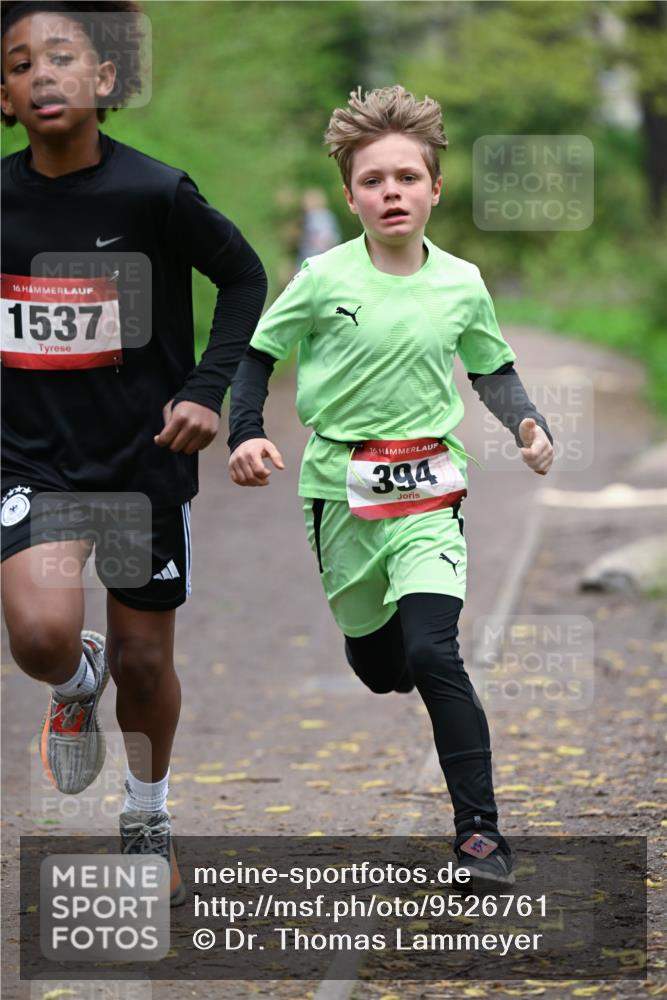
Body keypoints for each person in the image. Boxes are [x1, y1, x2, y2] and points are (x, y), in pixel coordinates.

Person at [228, 85, 553, 885]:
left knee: (433, 652)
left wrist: (527, 423)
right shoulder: (319, 277)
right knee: (380, 665)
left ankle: (480, 837)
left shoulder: (461, 283)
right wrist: (246, 430)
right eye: (373, 181)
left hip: (431, 489)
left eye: (407, 177)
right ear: (349, 196)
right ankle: (392, 647)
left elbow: (492, 366)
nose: (391, 193)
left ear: (434, 187)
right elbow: (255, 356)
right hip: (340, 489)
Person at [1, 0, 267, 905]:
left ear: (104, 81)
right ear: (3, 95)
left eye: (62, 56)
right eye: (20, 62)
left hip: (140, 462)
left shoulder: (153, 193)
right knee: (38, 637)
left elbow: (243, 278)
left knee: (147, 662)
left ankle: (146, 811)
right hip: (28, 459)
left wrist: (204, 389)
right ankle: (75, 680)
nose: (42, 74)